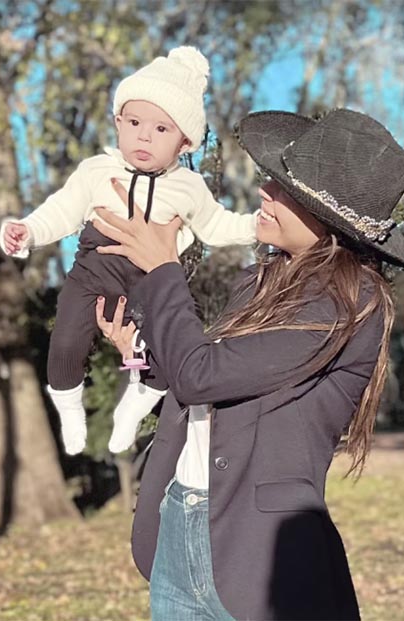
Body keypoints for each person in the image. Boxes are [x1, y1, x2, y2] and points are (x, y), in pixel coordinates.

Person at [95, 108, 403, 620]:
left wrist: (164, 268)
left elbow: (201, 376)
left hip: (258, 554)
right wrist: (138, 355)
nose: (265, 191)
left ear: (330, 224)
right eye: (271, 180)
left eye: (287, 191)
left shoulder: (349, 303)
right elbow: (201, 379)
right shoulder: (256, 283)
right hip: (179, 523)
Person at [0, 46, 257, 456]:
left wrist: (255, 227)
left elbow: (216, 224)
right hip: (92, 276)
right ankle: (69, 409)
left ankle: (133, 409)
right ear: (118, 122)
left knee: (165, 356)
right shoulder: (96, 172)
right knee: (65, 343)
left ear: (185, 142)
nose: (143, 136)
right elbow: (62, 211)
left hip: (151, 284)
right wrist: (27, 231)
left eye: (161, 129)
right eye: (134, 122)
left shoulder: (188, 188)